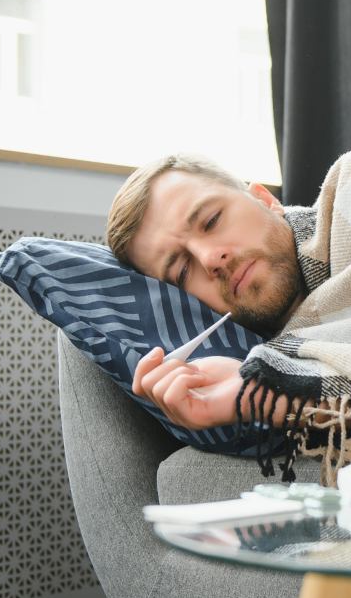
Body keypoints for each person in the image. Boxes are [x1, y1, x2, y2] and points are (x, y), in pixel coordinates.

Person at [107, 155, 307, 432]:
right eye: (183, 272)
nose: (209, 259)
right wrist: (259, 396)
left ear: (265, 199)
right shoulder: (271, 368)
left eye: (211, 221)